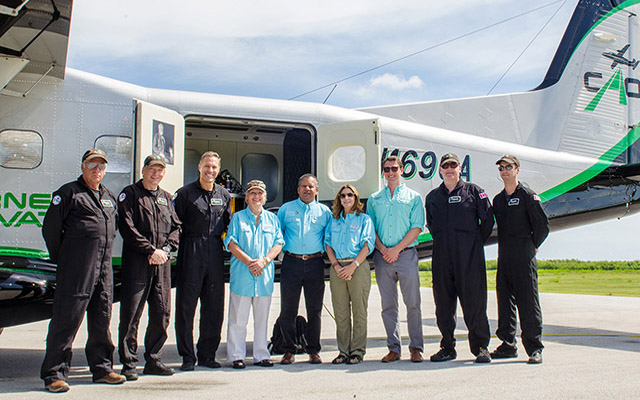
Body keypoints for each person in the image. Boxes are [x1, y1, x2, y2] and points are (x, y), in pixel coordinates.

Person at [40, 149, 125, 392]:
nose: (97, 170)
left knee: (101, 321)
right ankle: (54, 374)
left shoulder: (108, 196)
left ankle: (102, 368)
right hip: (76, 270)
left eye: (101, 166)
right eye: (92, 165)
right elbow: (51, 230)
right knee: (66, 322)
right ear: (82, 167)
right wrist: (64, 258)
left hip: (103, 270)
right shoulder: (68, 193)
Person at [425, 153, 494, 363]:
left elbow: (488, 221)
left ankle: (481, 347)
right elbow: (432, 225)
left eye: (453, 165)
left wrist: (472, 243)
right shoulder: (433, 197)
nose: (449, 169)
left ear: (460, 168)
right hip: (442, 257)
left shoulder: (474, 192)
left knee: (474, 302)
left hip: (469, 258)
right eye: (445, 166)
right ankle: (447, 347)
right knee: (443, 304)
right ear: (440, 171)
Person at [117, 155, 181, 380]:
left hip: (161, 263)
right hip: (138, 263)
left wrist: (165, 249)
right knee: (131, 314)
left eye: (160, 170)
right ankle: (129, 363)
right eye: (152, 169)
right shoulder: (130, 194)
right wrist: (150, 250)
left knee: (161, 312)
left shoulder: (166, 197)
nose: (156, 173)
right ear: (143, 170)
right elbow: (127, 227)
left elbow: (176, 227)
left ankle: (154, 359)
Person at [174, 151, 231, 371]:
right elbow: (175, 225)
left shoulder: (224, 195)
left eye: (214, 167)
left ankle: (208, 354)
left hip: (215, 253)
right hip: (191, 251)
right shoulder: (185, 194)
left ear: (218, 169)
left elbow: (227, 226)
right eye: (207, 166)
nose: (210, 171)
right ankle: (187, 356)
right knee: (186, 308)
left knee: (214, 307)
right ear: (199, 167)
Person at [491, 155, 549, 364]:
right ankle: (507, 344)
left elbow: (542, 226)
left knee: (528, 301)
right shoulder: (498, 200)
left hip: (524, 255)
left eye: (508, 167)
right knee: (504, 301)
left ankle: (534, 347)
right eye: (501, 168)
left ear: (517, 170)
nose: (504, 171)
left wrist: (533, 245)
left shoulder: (527, 195)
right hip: (504, 255)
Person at [366, 155, 425, 363]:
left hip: (406, 255)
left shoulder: (413, 197)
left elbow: (417, 227)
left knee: (413, 304)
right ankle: (394, 348)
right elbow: (370, 228)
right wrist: (383, 250)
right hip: (383, 258)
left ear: (401, 170)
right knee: (388, 305)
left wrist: (396, 250)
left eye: (394, 168)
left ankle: (416, 347)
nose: (390, 172)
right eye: (387, 169)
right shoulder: (375, 199)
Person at [224, 180, 284, 369]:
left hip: (264, 277)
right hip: (243, 275)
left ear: (265, 197)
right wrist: (250, 262)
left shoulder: (272, 219)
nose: (256, 197)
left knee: (262, 319)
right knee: (238, 320)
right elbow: (231, 244)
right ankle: (236, 356)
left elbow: (279, 243)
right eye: (252, 194)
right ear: (247, 197)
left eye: (260, 193)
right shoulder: (237, 218)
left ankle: (261, 355)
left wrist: (264, 261)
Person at [277, 173, 332, 365]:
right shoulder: (286, 209)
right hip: (291, 262)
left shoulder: (325, 212)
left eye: (311, 187)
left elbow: (329, 237)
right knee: (288, 309)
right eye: (304, 186)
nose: (307, 189)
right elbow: (279, 233)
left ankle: (313, 349)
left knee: (314, 309)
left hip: (315, 263)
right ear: (298, 189)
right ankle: (289, 349)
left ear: (317, 190)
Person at [325, 184, 375, 364]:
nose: (346, 198)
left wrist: (353, 266)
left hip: (357, 267)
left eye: (350, 195)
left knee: (359, 310)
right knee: (341, 312)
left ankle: (357, 351)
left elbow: (368, 245)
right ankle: (343, 351)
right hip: (337, 267)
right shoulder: (334, 220)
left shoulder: (364, 220)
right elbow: (328, 244)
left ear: (356, 198)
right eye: (343, 196)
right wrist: (337, 266)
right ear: (339, 199)